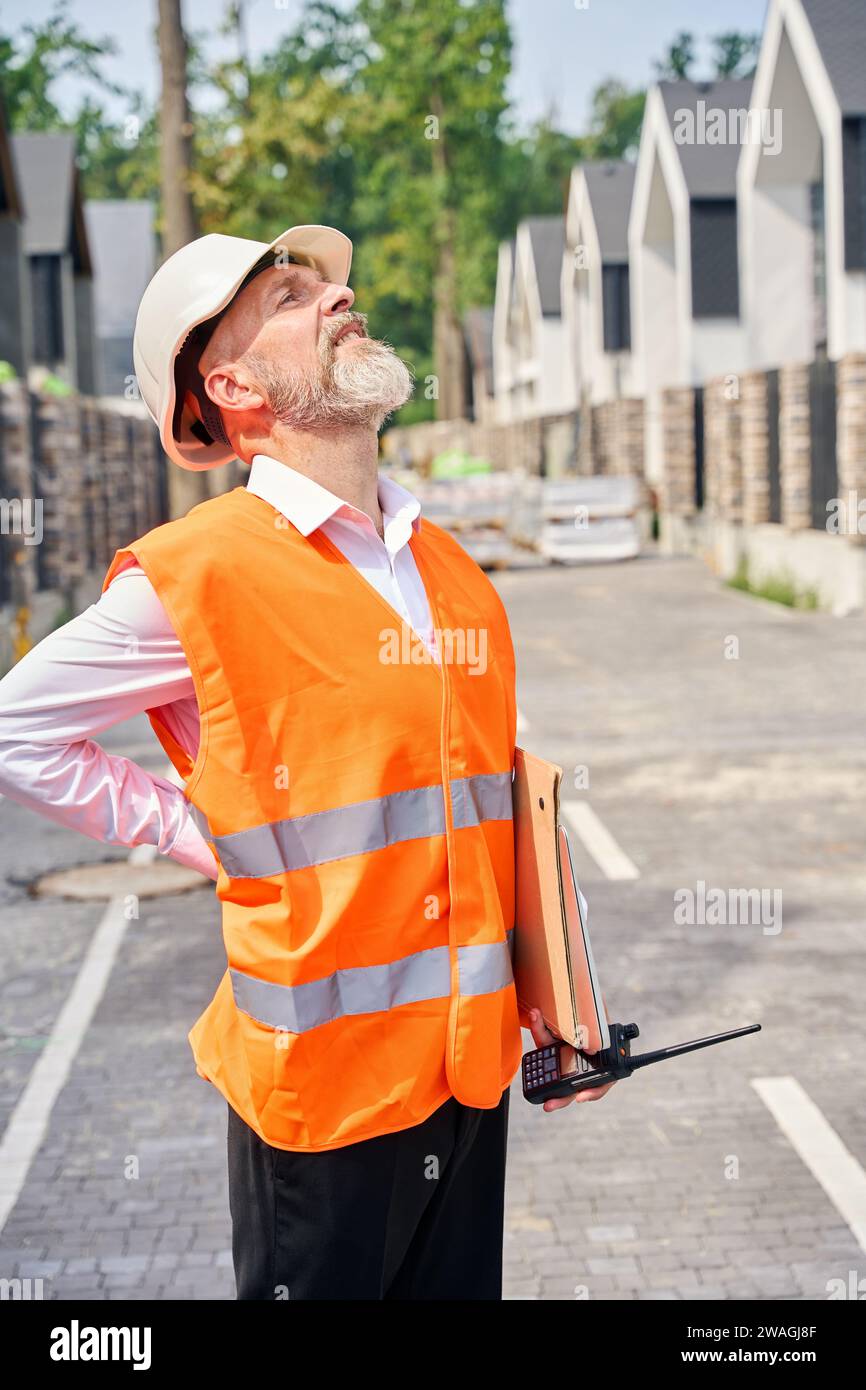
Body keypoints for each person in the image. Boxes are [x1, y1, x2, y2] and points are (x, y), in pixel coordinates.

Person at [0, 224, 614, 1301]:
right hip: (321, 1107)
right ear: (231, 386)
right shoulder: (195, 574)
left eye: (324, 277)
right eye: (288, 293)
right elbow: (18, 731)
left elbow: (495, 801)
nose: (332, 292)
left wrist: (559, 1006)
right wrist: (200, 835)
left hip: (464, 1081)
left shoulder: (449, 566)